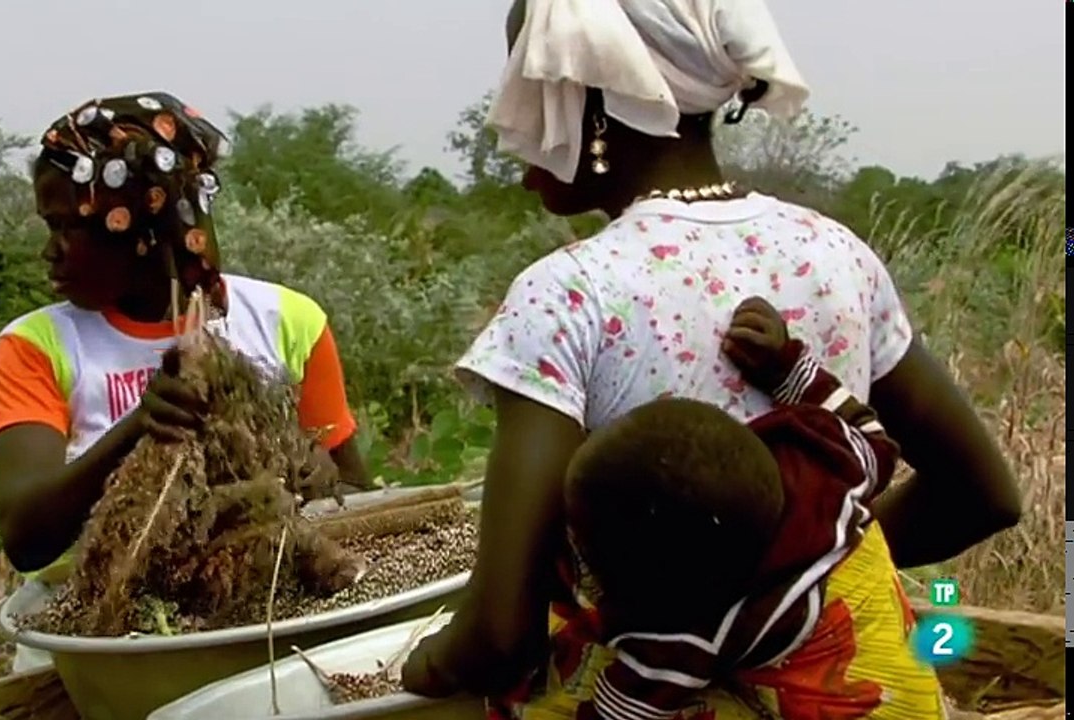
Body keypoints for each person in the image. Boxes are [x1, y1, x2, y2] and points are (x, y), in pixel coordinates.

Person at [401, 0, 1020, 716]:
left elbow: (500, 636)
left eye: (530, 85)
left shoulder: (569, 295)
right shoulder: (835, 255)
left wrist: (426, 664)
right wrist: (802, 578)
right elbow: (983, 496)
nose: (511, 125)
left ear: (594, 105)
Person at [0, 93, 370, 666]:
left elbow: (357, 496)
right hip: (102, 647)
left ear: (139, 225)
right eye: (50, 225)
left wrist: (294, 475)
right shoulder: (35, 346)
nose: (50, 251)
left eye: (67, 226)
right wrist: (140, 426)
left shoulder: (287, 321)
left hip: (264, 634)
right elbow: (25, 536)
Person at [562, 296, 941, 719]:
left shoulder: (684, 638)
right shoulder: (831, 470)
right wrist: (787, 368)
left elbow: (622, 712)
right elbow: (872, 436)